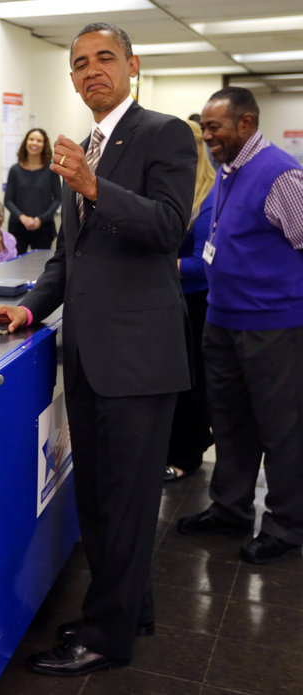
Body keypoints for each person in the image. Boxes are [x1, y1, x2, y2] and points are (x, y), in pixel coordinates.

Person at [0, 22, 195, 676]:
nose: (91, 70)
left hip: (138, 358)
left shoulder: (162, 134)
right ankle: (129, 607)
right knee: (102, 498)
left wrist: (96, 187)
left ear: (133, 65)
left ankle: (107, 636)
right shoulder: (88, 147)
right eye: (80, 64)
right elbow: (67, 261)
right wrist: (27, 307)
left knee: (123, 503)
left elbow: (165, 228)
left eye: (105, 58)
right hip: (91, 358)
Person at [177, 87, 303, 565]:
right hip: (223, 320)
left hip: (273, 328)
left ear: (246, 123)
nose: (207, 136)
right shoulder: (231, 170)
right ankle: (230, 508)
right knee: (229, 423)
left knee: (282, 429)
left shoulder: (280, 174)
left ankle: (287, 525)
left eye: (215, 127)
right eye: (205, 127)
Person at [164, 120, 216, 483]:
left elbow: (202, 264)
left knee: (191, 383)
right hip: (172, 301)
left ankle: (186, 456)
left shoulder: (209, 196)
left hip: (196, 304)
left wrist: (158, 264)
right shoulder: (177, 188)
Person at [4, 128, 62, 253]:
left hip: (43, 227)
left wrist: (40, 219)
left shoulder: (51, 169)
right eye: (31, 139)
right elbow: (8, 200)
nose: (34, 143)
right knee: (16, 268)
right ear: (26, 142)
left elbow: (58, 199)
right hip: (18, 226)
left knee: (40, 268)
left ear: (44, 144)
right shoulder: (15, 170)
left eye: (39, 140)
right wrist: (22, 217)